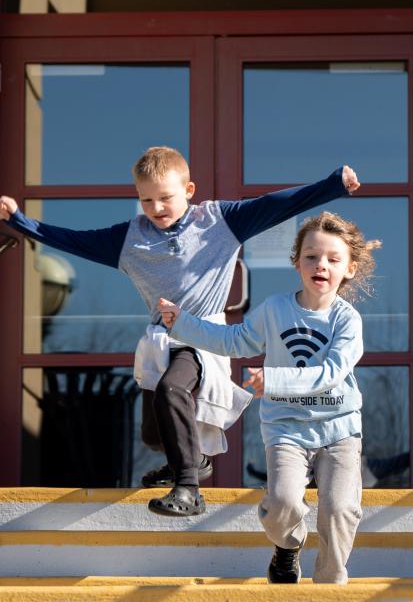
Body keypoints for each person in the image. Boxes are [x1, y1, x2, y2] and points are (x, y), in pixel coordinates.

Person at [0, 147, 359, 517]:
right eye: (146, 200)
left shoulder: (219, 221)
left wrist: (334, 185)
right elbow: (73, 240)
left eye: (166, 197)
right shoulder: (130, 239)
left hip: (202, 337)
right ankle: (192, 461)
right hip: (159, 340)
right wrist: (19, 221)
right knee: (154, 432)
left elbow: (276, 205)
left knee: (172, 389)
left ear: (189, 190)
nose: (156, 208)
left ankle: (188, 487)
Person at [158, 211, 379, 584]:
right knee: (282, 504)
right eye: (311, 256)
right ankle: (287, 548)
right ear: (296, 262)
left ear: (350, 269)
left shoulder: (347, 321)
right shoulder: (276, 309)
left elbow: (330, 375)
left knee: (340, 509)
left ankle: (329, 584)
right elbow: (233, 340)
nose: (320, 265)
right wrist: (181, 323)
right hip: (286, 429)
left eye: (332, 259)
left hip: (338, 429)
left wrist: (274, 381)